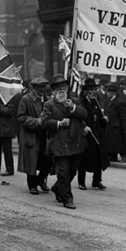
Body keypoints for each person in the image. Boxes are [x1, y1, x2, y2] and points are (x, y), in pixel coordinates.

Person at [41, 74, 88, 209]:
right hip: (59, 144)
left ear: (67, 88)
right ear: (54, 90)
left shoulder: (75, 101)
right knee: (63, 172)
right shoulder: (49, 105)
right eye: (58, 88)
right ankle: (67, 199)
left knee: (72, 171)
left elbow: (84, 115)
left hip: (75, 142)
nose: (61, 90)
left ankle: (57, 188)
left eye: (63, 87)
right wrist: (59, 123)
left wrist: (73, 107)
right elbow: (44, 122)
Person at [17, 77, 53, 195]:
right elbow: (21, 117)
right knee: (31, 161)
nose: (43, 89)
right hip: (31, 135)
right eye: (40, 87)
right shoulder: (26, 99)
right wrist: (36, 121)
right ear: (34, 88)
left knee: (47, 160)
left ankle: (41, 180)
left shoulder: (47, 100)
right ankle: (32, 185)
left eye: (44, 87)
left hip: (45, 135)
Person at [77, 78, 110, 190]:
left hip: (97, 135)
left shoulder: (97, 102)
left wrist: (104, 120)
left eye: (95, 89)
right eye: (91, 89)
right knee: (83, 159)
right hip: (86, 135)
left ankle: (97, 181)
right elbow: (77, 119)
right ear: (86, 91)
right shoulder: (81, 102)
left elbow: (100, 121)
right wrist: (83, 128)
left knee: (98, 158)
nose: (94, 92)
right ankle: (81, 182)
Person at [103, 83, 126, 163]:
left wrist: (125, 129)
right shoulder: (110, 100)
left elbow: (124, 117)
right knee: (112, 143)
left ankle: (125, 156)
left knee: (120, 143)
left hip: (118, 127)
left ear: (113, 92)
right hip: (111, 125)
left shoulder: (119, 102)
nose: (107, 93)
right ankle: (112, 156)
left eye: (108, 92)